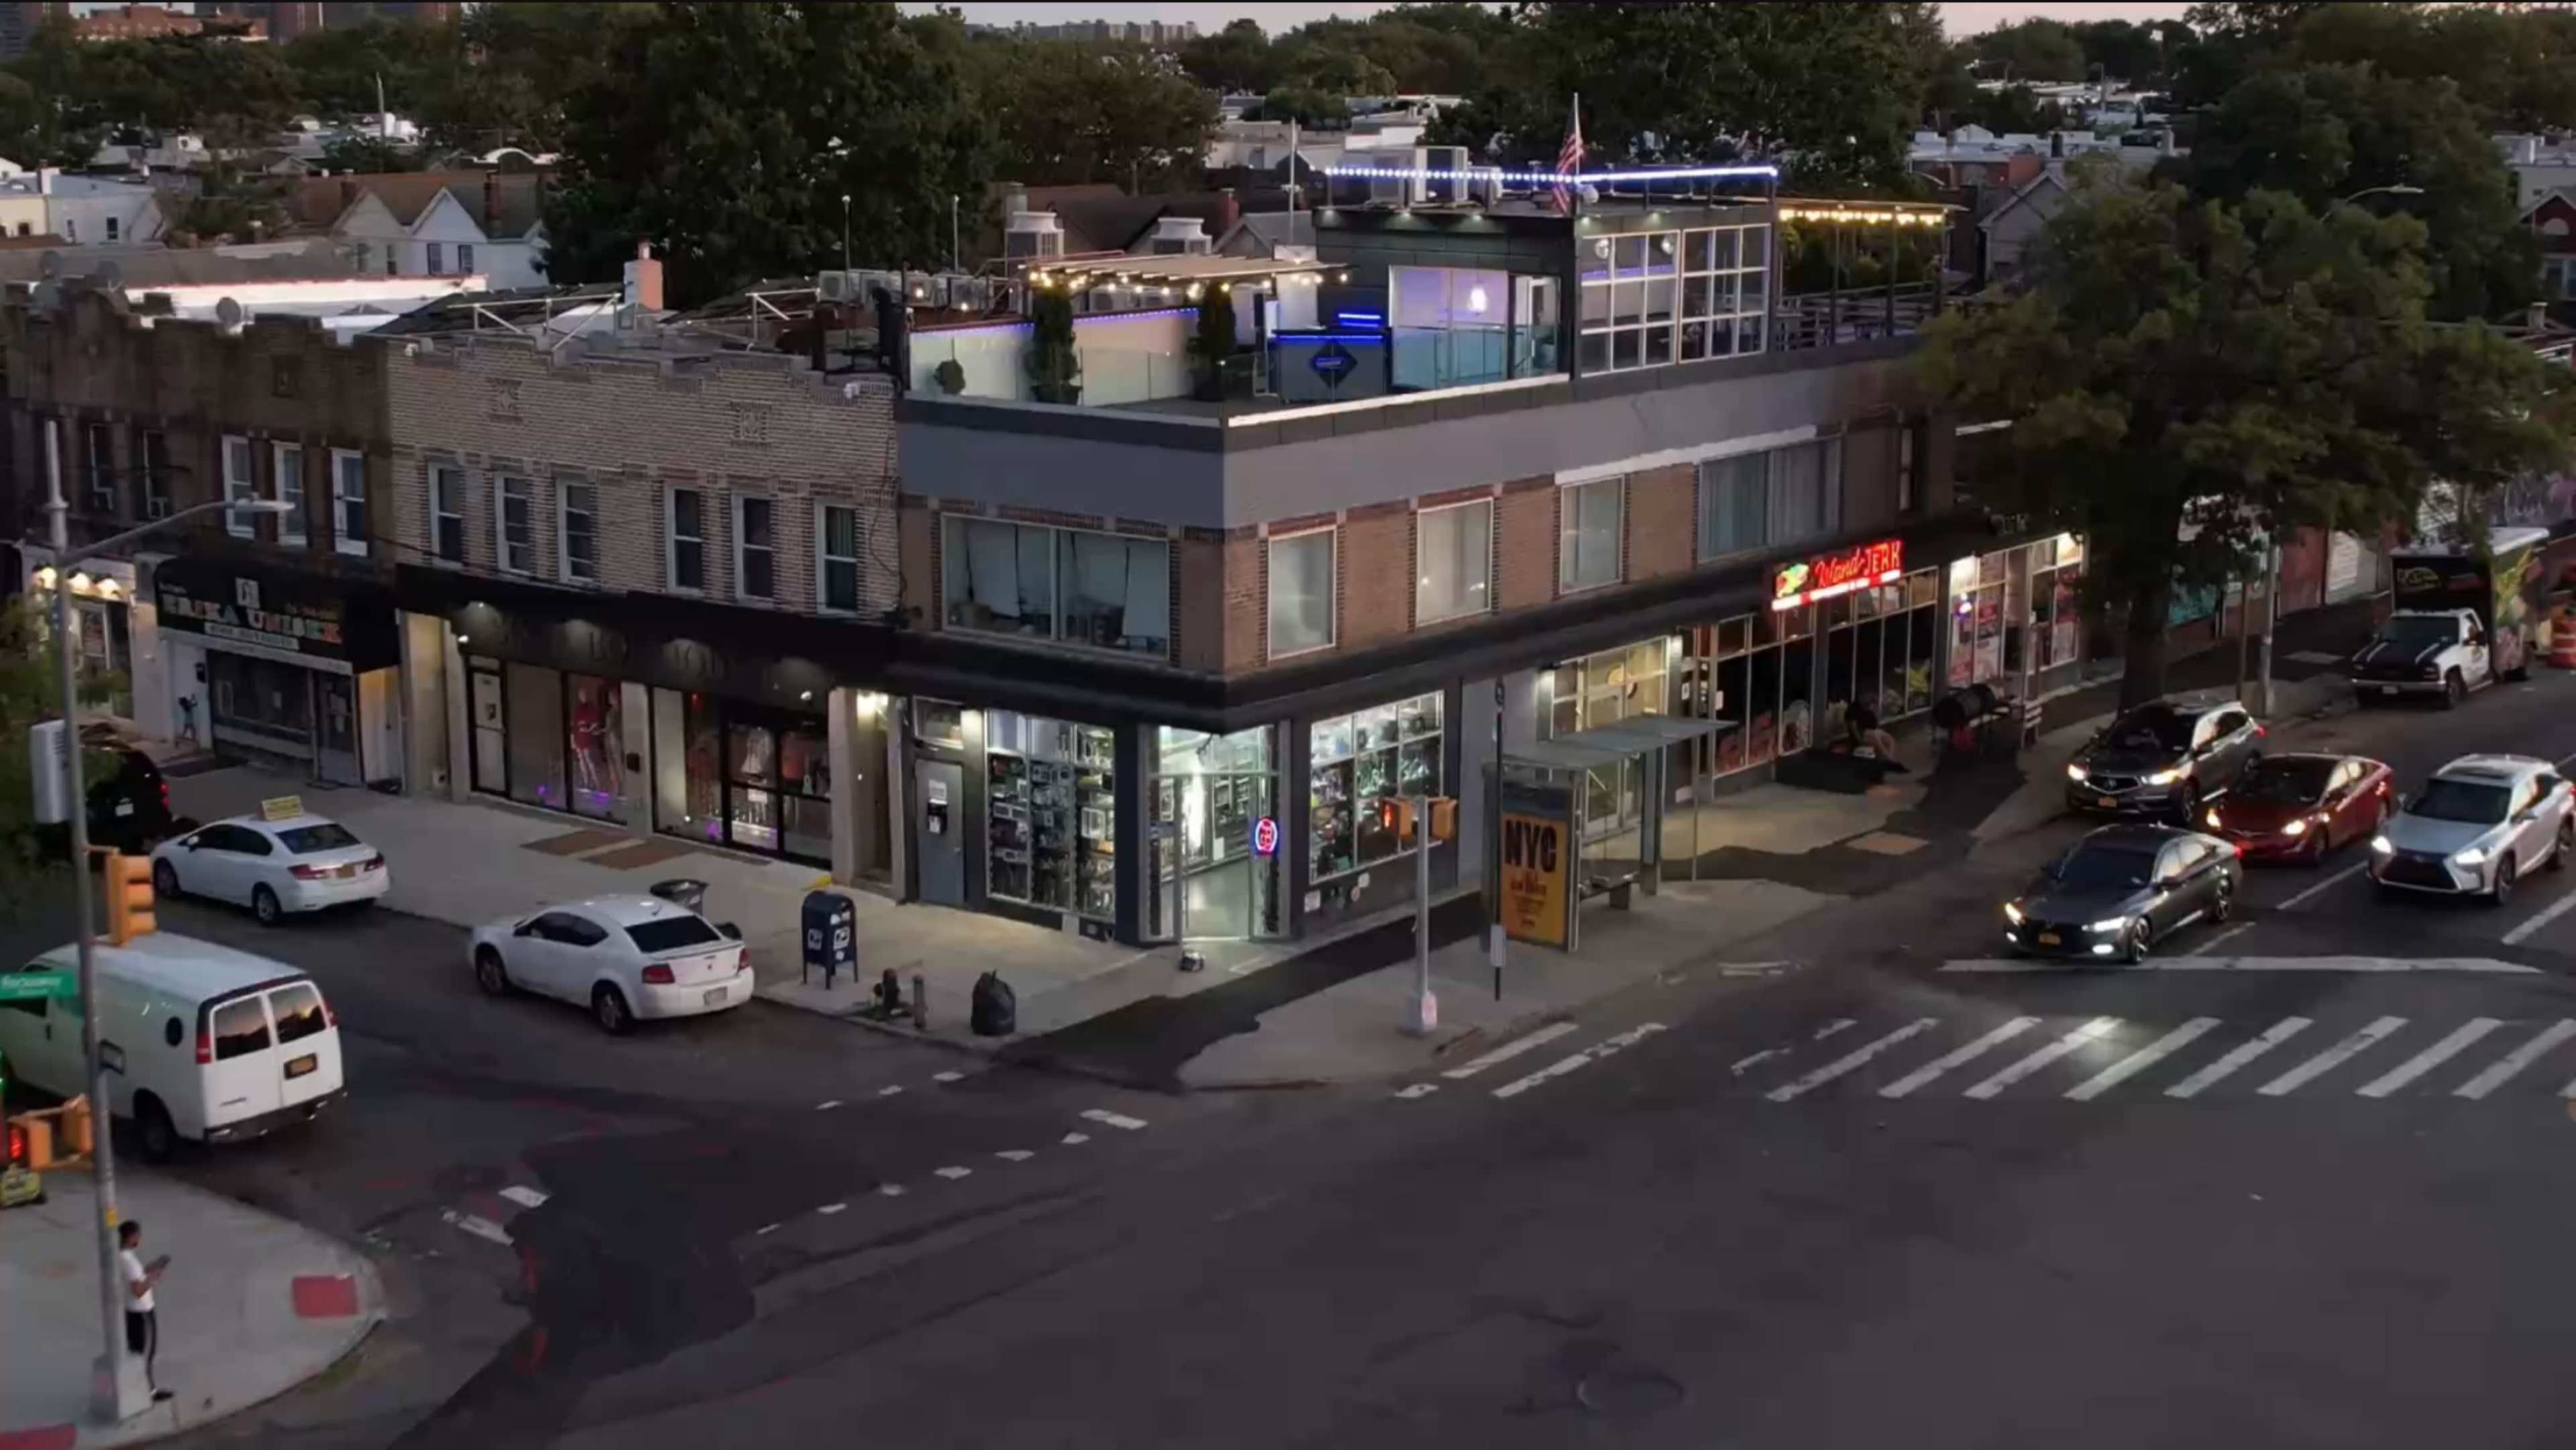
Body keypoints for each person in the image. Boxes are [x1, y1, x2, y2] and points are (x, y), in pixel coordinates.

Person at [119, 1220, 173, 1402]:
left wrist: (145, 1271)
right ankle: (149, 1392)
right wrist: (152, 1277)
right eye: (138, 1235)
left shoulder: (122, 1257)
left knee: (136, 1351)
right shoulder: (128, 1261)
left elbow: (134, 1279)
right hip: (142, 1313)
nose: (140, 1238)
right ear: (131, 1237)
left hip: (132, 1312)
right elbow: (138, 1290)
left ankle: (137, 1389)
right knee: (146, 1352)